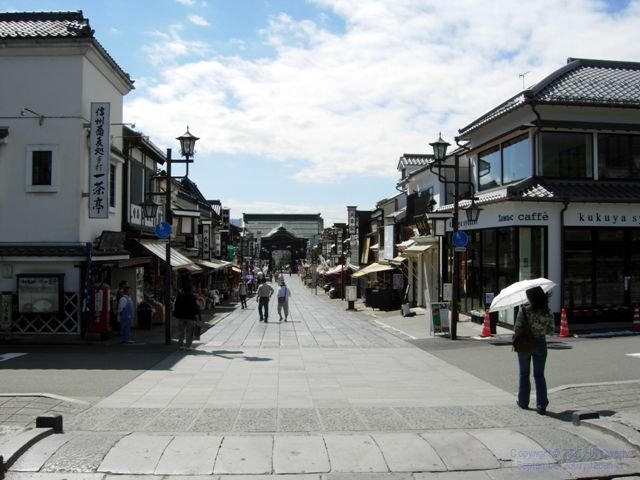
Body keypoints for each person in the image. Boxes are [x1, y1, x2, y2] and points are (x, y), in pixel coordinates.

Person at [514, 285, 555, 415]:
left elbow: (517, 328)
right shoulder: (547, 312)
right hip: (540, 343)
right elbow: (551, 331)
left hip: (524, 344)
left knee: (524, 373)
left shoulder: (524, 311)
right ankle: (541, 404)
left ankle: (523, 401)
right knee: (539, 375)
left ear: (531, 298)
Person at [173, 283, 201, 351]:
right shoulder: (192, 296)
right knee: (190, 332)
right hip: (190, 317)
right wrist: (197, 316)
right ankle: (188, 346)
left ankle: (181, 345)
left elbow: (176, 306)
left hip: (181, 317)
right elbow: (195, 307)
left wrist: (176, 314)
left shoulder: (180, 296)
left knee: (181, 331)